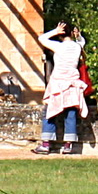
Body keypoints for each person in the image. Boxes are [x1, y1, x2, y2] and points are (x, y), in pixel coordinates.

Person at [37, 21, 88, 154]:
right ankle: (68, 145)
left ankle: (46, 144)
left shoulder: (58, 46)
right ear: (72, 32)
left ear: (61, 34)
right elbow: (82, 42)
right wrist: (78, 36)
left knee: (50, 112)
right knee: (70, 113)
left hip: (58, 83)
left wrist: (55, 30)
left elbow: (41, 39)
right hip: (72, 83)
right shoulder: (77, 47)